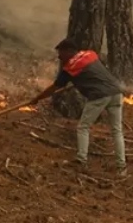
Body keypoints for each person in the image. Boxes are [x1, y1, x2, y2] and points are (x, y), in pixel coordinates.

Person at [29, 39, 127, 177]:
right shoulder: (90, 54)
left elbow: (55, 87)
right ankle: (121, 167)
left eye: (61, 53)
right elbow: (94, 73)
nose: (59, 57)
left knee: (83, 127)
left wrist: (37, 99)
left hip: (99, 96)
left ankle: (81, 160)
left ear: (69, 51)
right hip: (116, 92)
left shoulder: (70, 68)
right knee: (117, 130)